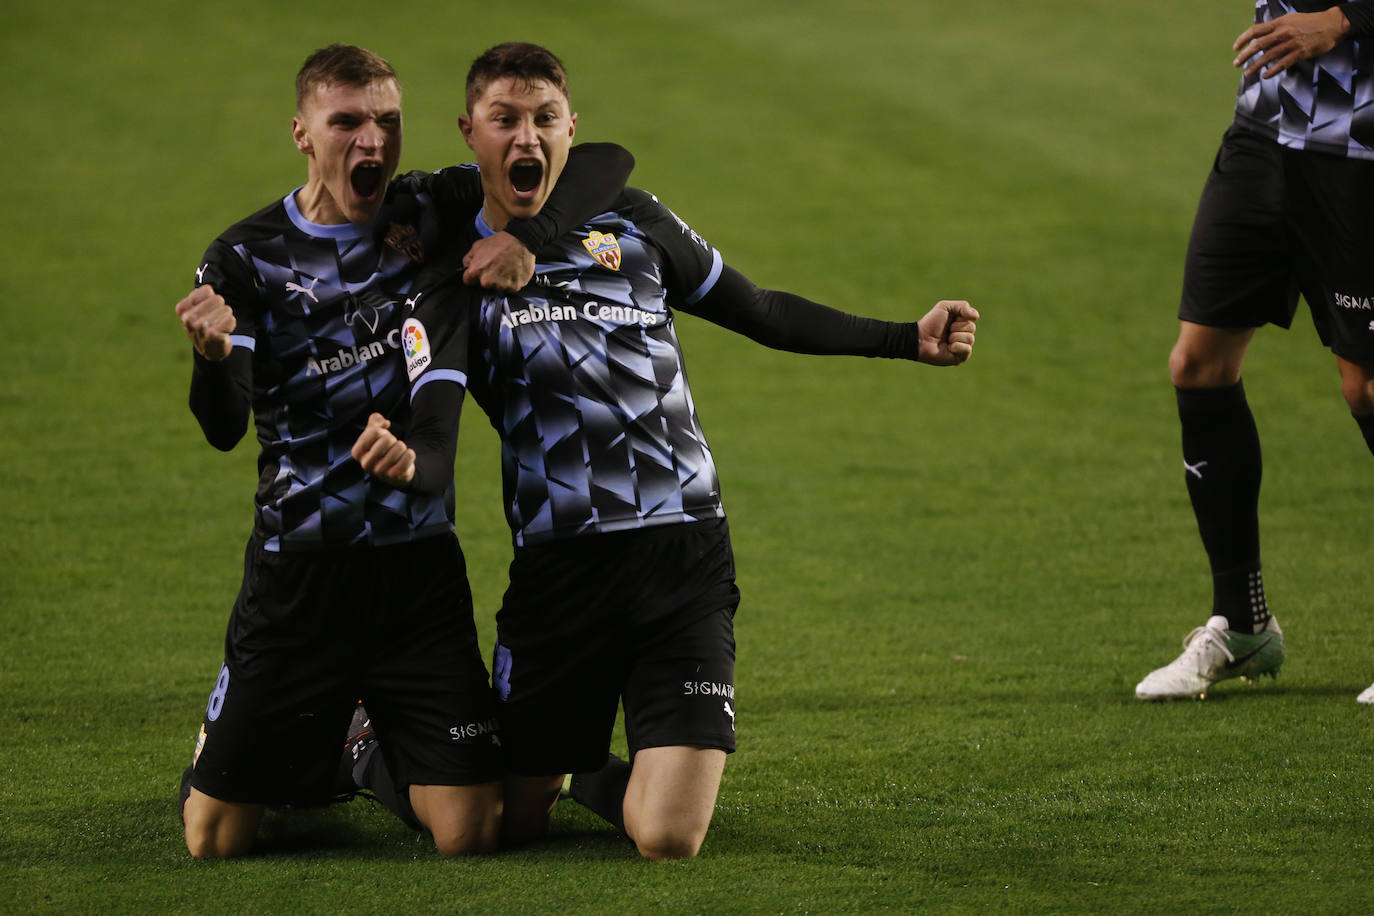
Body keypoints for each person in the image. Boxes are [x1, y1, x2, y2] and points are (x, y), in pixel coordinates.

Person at [351, 42, 979, 860]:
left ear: (570, 125)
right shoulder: (449, 258)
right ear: (469, 131)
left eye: (545, 119)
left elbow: (763, 310)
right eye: (504, 120)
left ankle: (583, 770)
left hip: (683, 558)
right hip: (561, 570)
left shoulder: (633, 220)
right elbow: (421, 376)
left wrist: (906, 338)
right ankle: (359, 744)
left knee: (668, 836)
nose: (526, 138)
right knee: (495, 825)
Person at [173, 43, 632, 858]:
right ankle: (237, 746)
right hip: (298, 577)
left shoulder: (426, 212)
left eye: (387, 123)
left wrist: (540, 235)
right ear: (302, 134)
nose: (372, 143)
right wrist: (212, 362)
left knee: (472, 831)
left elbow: (604, 160)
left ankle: (358, 746)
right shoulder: (245, 256)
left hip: (416, 575)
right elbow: (222, 426)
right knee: (214, 840)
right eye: (346, 122)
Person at [1134, 3, 1374, 702]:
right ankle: (1243, 622)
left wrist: (1342, 19)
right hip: (1266, 129)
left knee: (1366, 391)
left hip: (1360, 146)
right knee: (1198, 365)